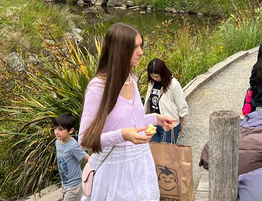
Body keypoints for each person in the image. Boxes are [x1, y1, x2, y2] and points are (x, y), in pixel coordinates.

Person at [78, 23, 176, 201]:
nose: (141, 52)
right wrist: (122, 135)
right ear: (119, 51)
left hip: (140, 163)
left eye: (141, 46)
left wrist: (155, 118)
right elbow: (84, 140)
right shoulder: (98, 87)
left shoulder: (131, 79)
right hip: (113, 171)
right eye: (134, 47)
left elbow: (130, 122)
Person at [144, 58, 188, 144]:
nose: (155, 78)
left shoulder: (173, 84)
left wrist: (180, 125)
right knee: (154, 151)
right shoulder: (151, 83)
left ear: (163, 73)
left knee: (166, 154)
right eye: (152, 76)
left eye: (157, 76)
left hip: (168, 125)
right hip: (153, 123)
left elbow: (181, 106)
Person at [53, 113, 87, 201]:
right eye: (55, 128)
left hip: (74, 185)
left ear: (70, 131)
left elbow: (87, 158)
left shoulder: (73, 146)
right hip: (65, 183)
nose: (56, 132)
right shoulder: (58, 142)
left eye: (60, 129)